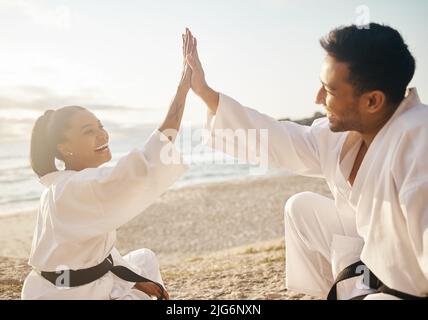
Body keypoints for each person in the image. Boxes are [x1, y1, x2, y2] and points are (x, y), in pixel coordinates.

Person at [184, 24, 428, 299]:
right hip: (378, 263)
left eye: (329, 90)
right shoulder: (348, 134)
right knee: (301, 208)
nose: (317, 98)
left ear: (372, 101)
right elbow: (279, 140)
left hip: (408, 290)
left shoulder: (418, 142)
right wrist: (205, 92)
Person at [21, 29, 195, 300]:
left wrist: (134, 281)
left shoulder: (62, 184)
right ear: (64, 148)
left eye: (100, 126)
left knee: (144, 259)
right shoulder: (75, 188)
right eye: (88, 131)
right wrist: (182, 92)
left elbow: (100, 253)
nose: (102, 134)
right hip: (67, 295)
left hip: (78, 283)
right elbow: (144, 164)